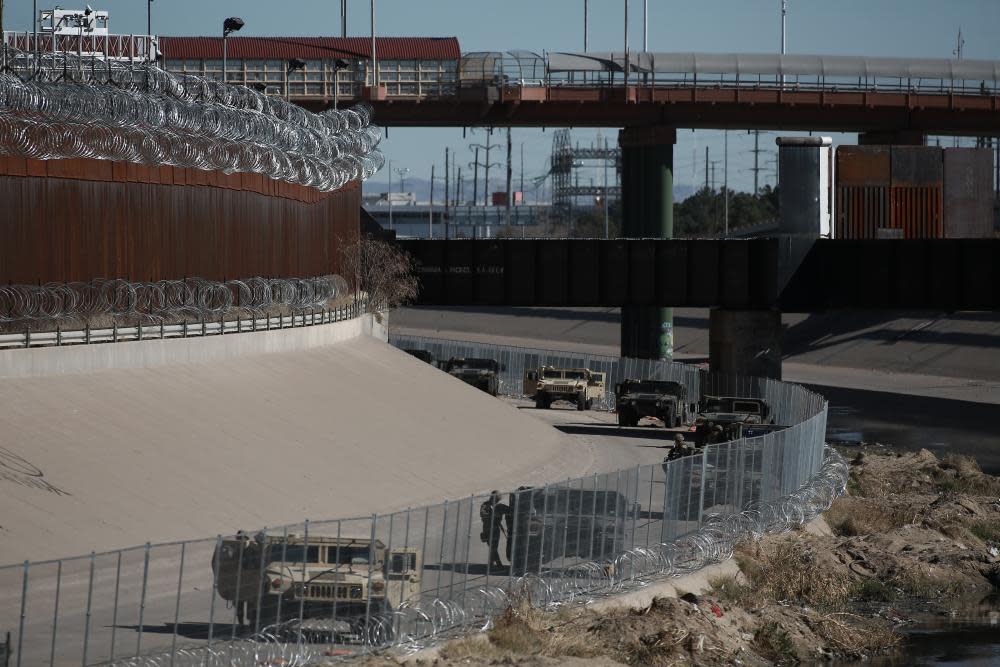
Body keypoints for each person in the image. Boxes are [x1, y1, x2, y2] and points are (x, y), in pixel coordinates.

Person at [479, 491, 509, 570]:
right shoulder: (486, 505)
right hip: (488, 529)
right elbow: (483, 514)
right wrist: (492, 515)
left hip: (495, 529)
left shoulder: (499, 506)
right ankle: (499, 565)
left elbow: (508, 510)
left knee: (493, 547)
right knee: (493, 547)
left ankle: (491, 564)